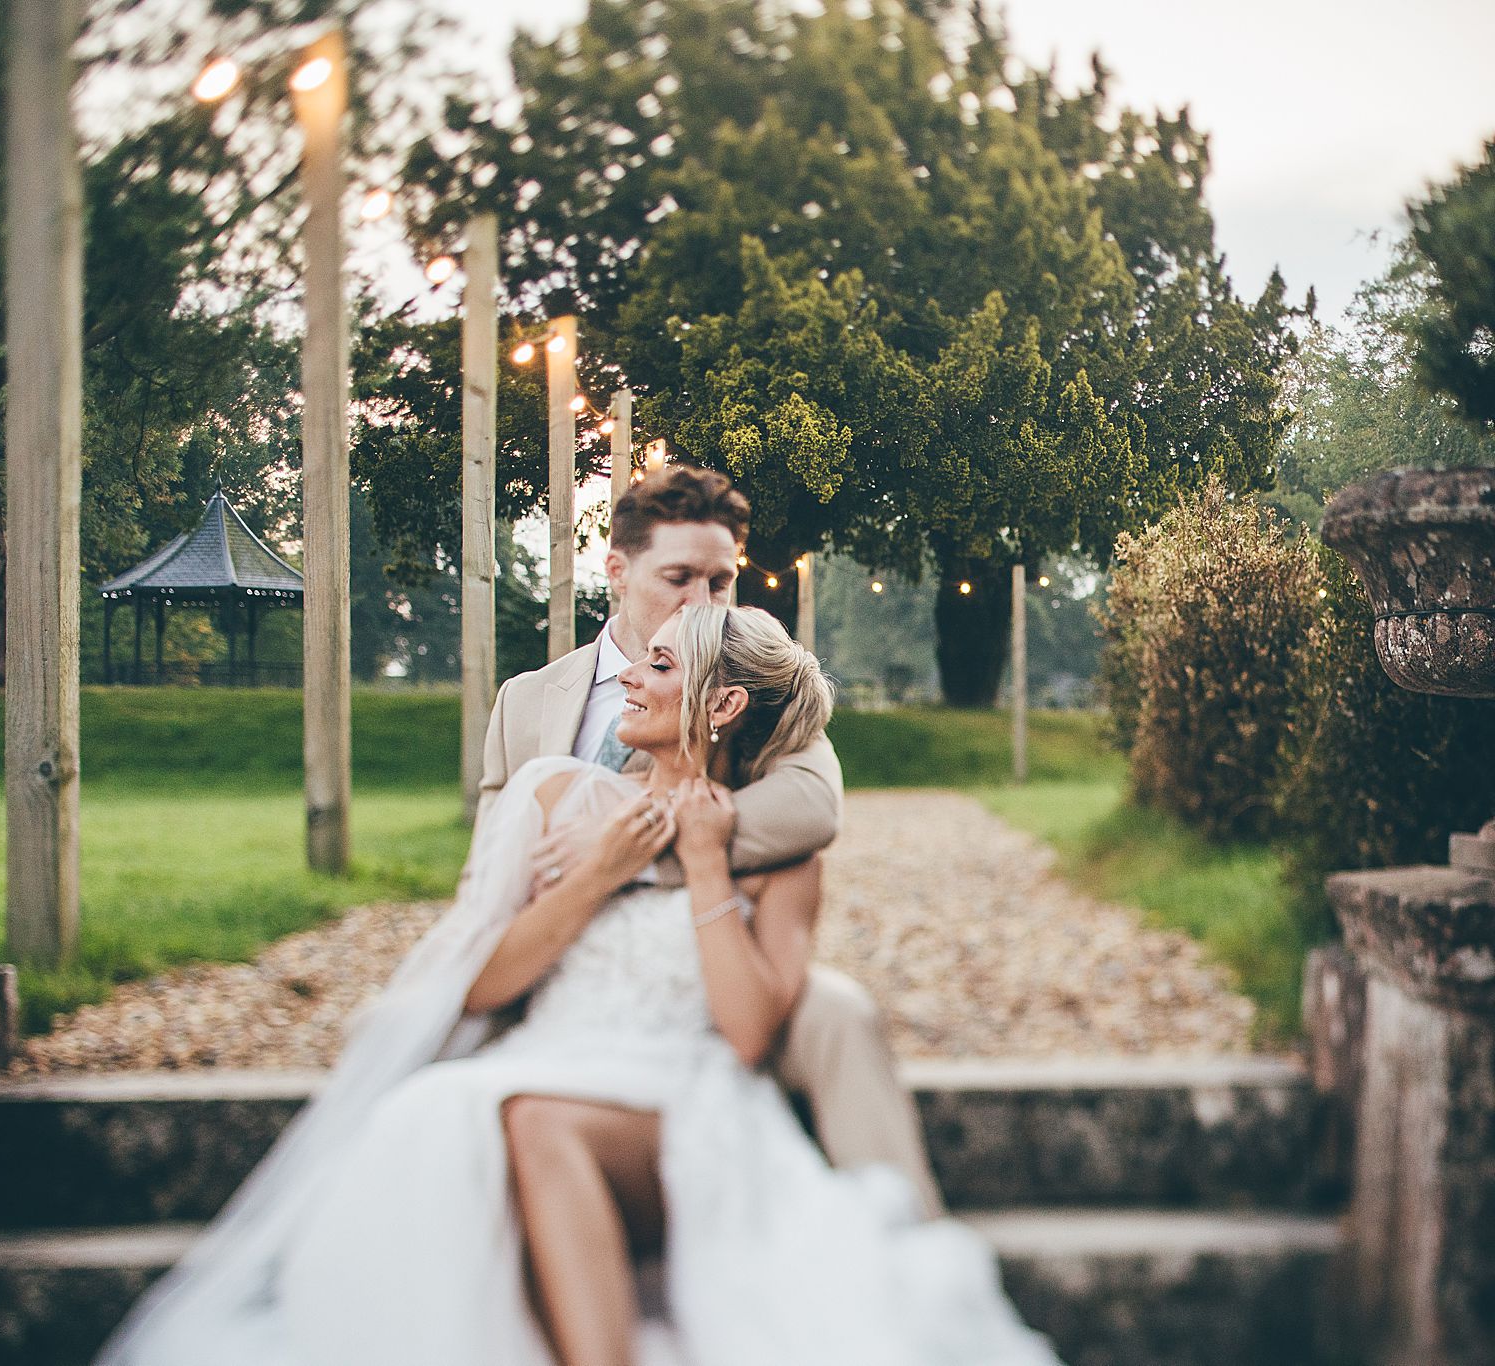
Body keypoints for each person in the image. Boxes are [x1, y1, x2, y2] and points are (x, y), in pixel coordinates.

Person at [100, 603, 1061, 1366]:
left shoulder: (776, 852)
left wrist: (708, 863)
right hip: (549, 1054)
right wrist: (597, 876)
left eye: (658, 666)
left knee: (532, 1119)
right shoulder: (554, 796)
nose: (629, 680)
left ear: (723, 707)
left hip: (682, 1101)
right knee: (440, 1121)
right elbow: (478, 985)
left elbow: (748, 1037)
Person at [482, 465, 941, 1217]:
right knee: (418, 1024)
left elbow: (810, 808)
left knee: (840, 1012)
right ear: (619, 572)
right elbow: (498, 851)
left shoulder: (751, 687)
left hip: (707, 946)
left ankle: (902, 1231)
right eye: (679, 577)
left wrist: (639, 849)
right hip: (562, 955)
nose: (702, 600)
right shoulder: (527, 700)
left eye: (720, 581)